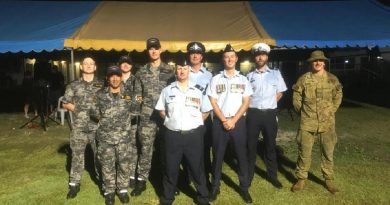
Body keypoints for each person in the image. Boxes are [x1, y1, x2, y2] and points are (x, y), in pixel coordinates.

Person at [156, 61, 211, 205]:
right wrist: (169, 119)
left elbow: (205, 110)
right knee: (171, 168)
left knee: (197, 168)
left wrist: (195, 122)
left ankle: (203, 198)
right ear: (176, 71)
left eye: (184, 68)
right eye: (179, 68)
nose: (181, 71)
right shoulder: (167, 90)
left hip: (193, 136)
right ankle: (167, 198)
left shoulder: (198, 91)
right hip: (172, 135)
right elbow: (161, 109)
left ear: (189, 71)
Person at [291, 50, 343, 194]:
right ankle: (301, 179)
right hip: (307, 122)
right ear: (311, 63)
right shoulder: (304, 79)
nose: (318, 63)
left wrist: (331, 109)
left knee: (328, 152)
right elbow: (296, 96)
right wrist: (301, 111)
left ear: (324, 62)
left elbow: (338, 94)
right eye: (315, 61)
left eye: (320, 60)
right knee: (304, 152)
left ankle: (329, 180)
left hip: (327, 123)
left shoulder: (332, 79)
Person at [206, 44, 253, 203]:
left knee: (241, 156)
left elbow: (246, 102)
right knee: (217, 157)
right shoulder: (215, 79)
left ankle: (244, 188)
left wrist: (233, 120)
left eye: (232, 56)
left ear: (236, 59)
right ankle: (214, 188)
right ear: (223, 59)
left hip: (238, 122)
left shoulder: (243, 79)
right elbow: (213, 101)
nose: (229, 59)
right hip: (220, 123)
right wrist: (224, 120)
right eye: (226, 57)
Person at [131, 37, 175, 196]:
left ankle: (168, 183)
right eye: (151, 48)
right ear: (148, 51)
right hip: (147, 118)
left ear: (161, 49)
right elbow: (137, 96)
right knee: (145, 150)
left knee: (167, 151)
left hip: (166, 118)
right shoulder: (141, 72)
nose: (154, 51)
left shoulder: (171, 71)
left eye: (156, 48)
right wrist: (135, 115)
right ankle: (141, 181)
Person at [246, 43, 287, 189]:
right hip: (253, 114)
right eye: (257, 55)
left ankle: (272, 176)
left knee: (270, 147)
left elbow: (280, 92)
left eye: (262, 54)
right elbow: (246, 96)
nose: (260, 57)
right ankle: (248, 177)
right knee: (250, 147)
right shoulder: (249, 76)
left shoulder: (276, 74)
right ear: (255, 58)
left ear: (267, 57)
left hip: (269, 114)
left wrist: (270, 102)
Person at [91, 66, 133, 205]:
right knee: (107, 165)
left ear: (121, 77)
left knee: (124, 165)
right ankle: (109, 191)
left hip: (124, 137)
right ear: (108, 78)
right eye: (112, 76)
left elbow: (135, 111)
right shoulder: (99, 95)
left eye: (117, 76)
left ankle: (122, 190)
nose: (115, 79)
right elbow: (94, 112)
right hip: (105, 137)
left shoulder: (129, 94)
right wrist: (106, 121)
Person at [63, 55, 104, 199]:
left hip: (97, 127)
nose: (88, 66)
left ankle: (102, 181)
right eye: (85, 64)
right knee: (77, 156)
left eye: (91, 64)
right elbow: (65, 102)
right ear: (81, 67)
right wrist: (77, 109)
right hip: (79, 127)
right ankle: (74, 184)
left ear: (95, 67)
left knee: (99, 155)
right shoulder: (73, 85)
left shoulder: (102, 85)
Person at [187, 42, 213, 182]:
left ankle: (206, 177)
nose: (195, 55)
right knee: (189, 148)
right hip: (187, 118)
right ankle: (190, 177)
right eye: (192, 53)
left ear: (202, 56)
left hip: (204, 117)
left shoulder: (210, 76)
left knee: (205, 148)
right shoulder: (183, 72)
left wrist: (204, 116)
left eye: (197, 53)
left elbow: (211, 97)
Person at [117, 55, 143, 189]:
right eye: (123, 63)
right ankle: (121, 173)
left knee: (132, 148)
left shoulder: (136, 81)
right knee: (119, 147)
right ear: (119, 65)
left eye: (128, 63)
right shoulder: (115, 80)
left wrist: (127, 115)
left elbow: (138, 100)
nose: (125, 65)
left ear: (131, 66)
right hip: (116, 122)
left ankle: (132, 175)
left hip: (131, 121)